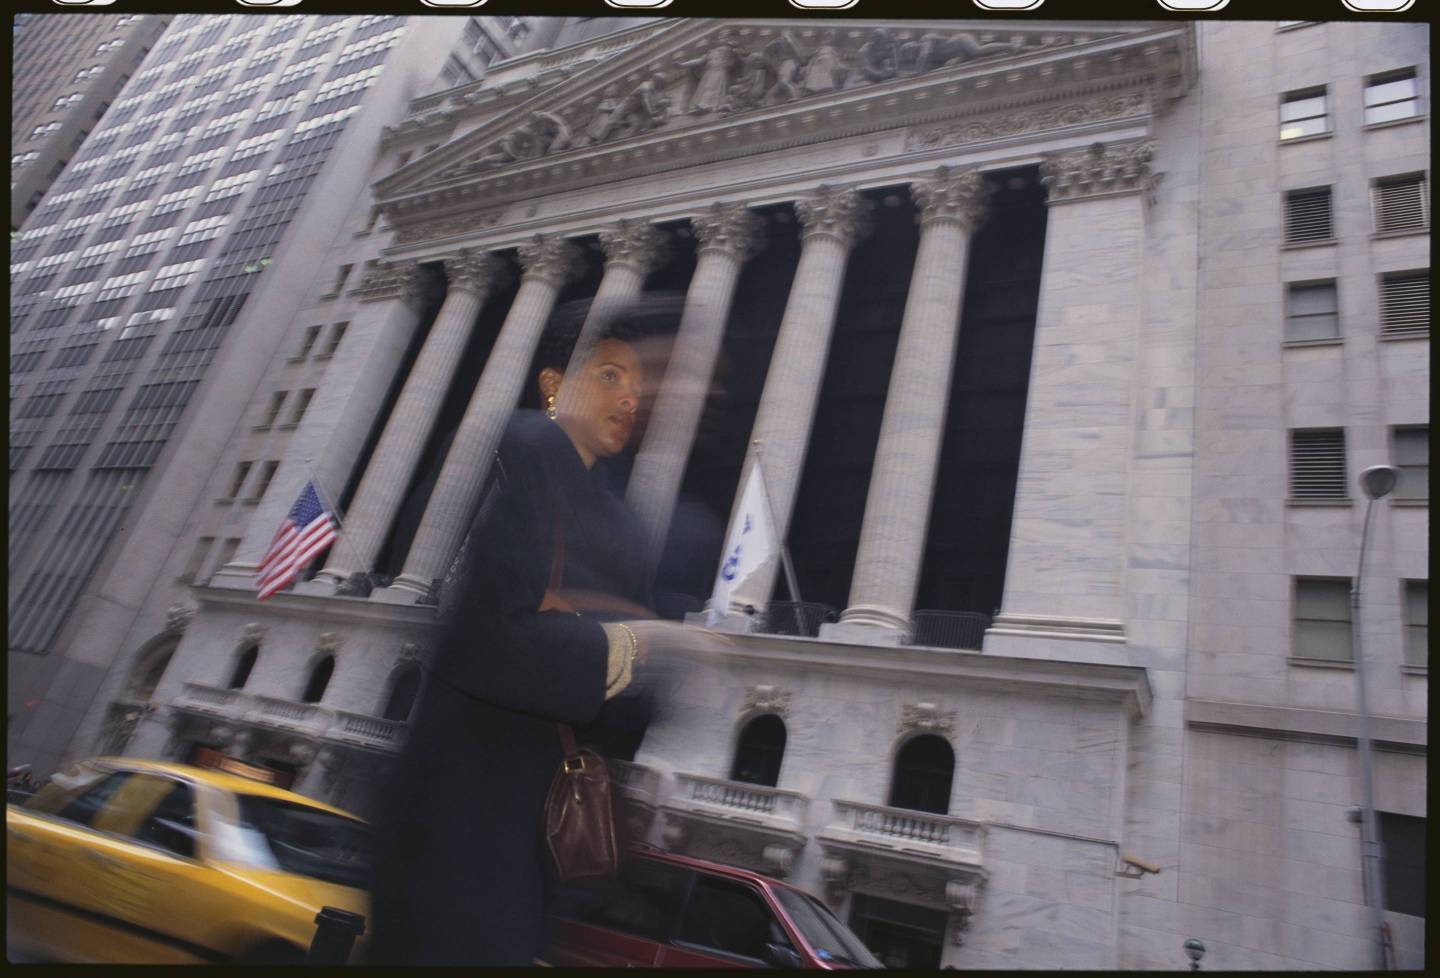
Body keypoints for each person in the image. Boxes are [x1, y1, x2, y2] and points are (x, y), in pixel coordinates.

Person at [366, 296, 698, 965]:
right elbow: (492, 640)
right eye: (610, 376)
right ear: (555, 384)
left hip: (530, 841)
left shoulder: (612, 515)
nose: (630, 400)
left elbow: (633, 705)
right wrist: (634, 645)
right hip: (458, 831)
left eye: (638, 388)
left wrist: (611, 644)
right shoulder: (522, 460)